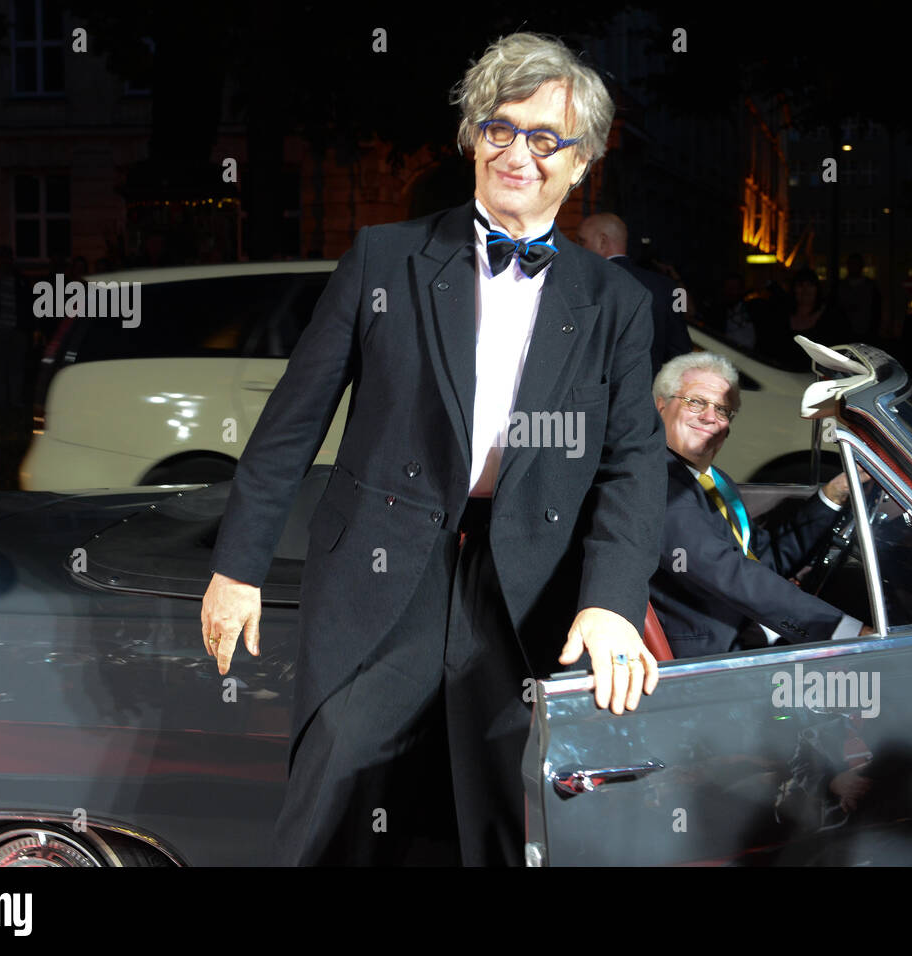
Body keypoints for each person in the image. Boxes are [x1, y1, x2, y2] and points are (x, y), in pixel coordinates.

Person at [200, 32, 667, 866]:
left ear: (582, 160)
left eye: (543, 137)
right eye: (499, 128)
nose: (516, 153)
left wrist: (611, 602)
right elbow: (290, 424)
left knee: (504, 806)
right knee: (335, 781)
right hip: (383, 561)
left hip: (526, 582)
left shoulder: (616, 303)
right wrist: (239, 567)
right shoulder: (387, 257)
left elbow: (633, 464)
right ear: (473, 137)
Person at [648, 351, 870, 656]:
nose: (710, 416)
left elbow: (766, 559)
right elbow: (725, 570)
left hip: (751, 630)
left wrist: (834, 494)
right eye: (696, 402)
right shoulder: (657, 480)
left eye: (723, 410)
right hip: (716, 651)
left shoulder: (716, 480)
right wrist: (841, 629)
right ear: (661, 405)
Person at [578, 212, 692, 378]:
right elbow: (681, 349)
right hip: (648, 392)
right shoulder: (666, 286)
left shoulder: (584, 284)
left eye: (581, 241)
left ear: (603, 241)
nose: (577, 249)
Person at [755, 269, 848, 371]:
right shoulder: (781, 316)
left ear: (817, 289)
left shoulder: (833, 318)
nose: (805, 290)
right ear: (794, 289)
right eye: (800, 285)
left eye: (810, 285)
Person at [0, 245, 35, 412]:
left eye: (7, 258)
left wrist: (27, 327)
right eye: (1, 258)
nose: (4, 262)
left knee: (16, 367)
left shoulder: (20, 280)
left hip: (17, 329)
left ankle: (15, 401)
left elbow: (28, 303)